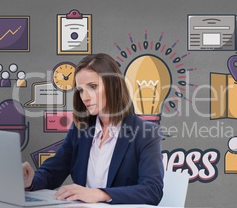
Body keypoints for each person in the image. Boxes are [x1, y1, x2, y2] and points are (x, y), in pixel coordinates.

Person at [22, 53, 164, 205]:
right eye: (81, 90)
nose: (85, 97)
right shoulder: (79, 130)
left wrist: (100, 194)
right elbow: (52, 173)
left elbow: (152, 190)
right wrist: (30, 181)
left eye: (93, 87)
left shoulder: (146, 133)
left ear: (114, 85)